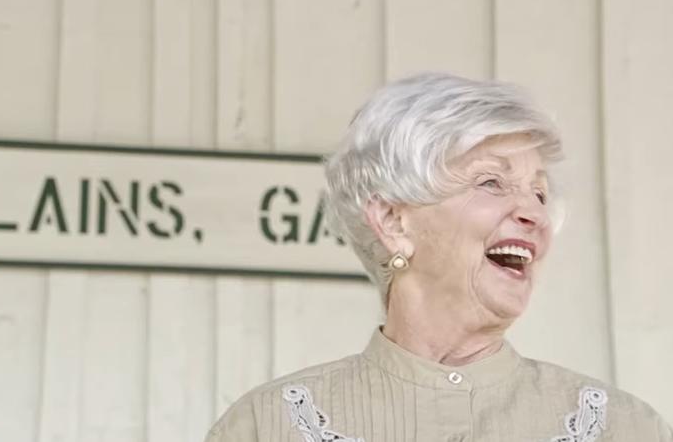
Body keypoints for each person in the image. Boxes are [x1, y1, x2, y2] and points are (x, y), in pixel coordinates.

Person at [205, 73, 672, 441]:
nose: (534, 213)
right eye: (492, 182)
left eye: (540, 193)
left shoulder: (624, 429)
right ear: (392, 221)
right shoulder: (268, 428)